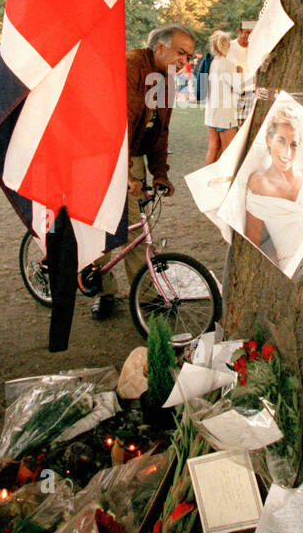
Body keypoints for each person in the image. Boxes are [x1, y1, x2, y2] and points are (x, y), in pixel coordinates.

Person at [90, 22, 196, 320]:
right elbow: (117, 123)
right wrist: (125, 175)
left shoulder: (168, 79)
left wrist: (160, 172)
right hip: (107, 151)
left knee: (137, 228)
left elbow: (160, 131)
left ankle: (145, 296)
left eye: (188, 56)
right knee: (106, 227)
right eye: (180, 53)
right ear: (159, 47)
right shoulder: (132, 65)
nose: (184, 61)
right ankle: (103, 290)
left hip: (131, 153)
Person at [243, 107, 303, 275]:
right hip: (291, 269)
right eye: (281, 141)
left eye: (293, 145)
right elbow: (252, 244)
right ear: (268, 139)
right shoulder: (258, 185)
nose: (287, 152)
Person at [203, 30, 239, 164]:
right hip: (225, 114)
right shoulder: (229, 65)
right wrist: (239, 73)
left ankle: (207, 178)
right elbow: (237, 88)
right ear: (227, 45)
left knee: (213, 147)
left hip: (212, 112)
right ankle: (217, 178)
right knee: (228, 150)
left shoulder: (211, 63)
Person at [228, 20, 257, 126]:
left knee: (246, 129)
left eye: (252, 33)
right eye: (247, 32)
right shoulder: (229, 48)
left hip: (251, 94)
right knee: (232, 128)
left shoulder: (256, 49)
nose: (250, 36)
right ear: (239, 32)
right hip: (233, 94)